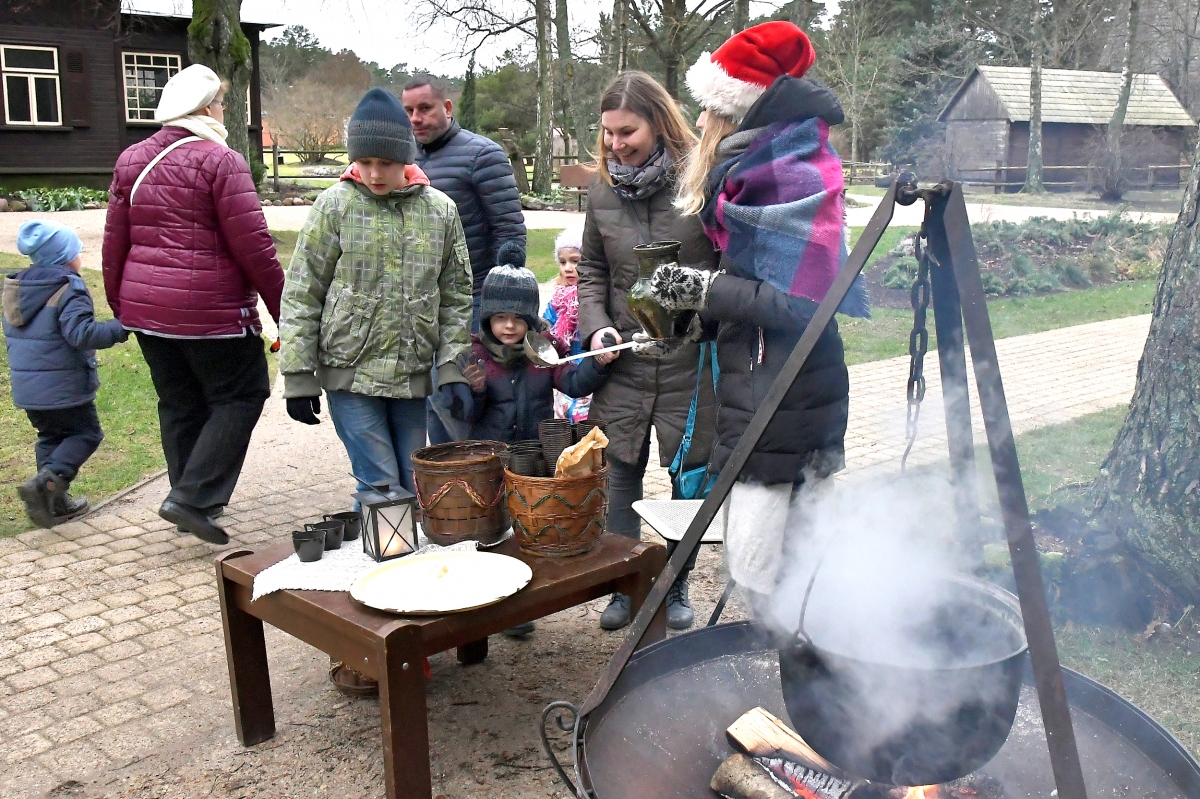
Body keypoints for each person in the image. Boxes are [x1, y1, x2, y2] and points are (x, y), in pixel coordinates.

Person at [652, 21, 857, 605]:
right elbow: (754, 290)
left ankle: (785, 652)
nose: (698, 123)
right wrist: (695, 316)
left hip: (789, 395)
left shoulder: (791, 177)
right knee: (778, 566)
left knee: (769, 569)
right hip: (763, 387)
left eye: (708, 110)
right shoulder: (755, 175)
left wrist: (701, 290)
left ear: (738, 113)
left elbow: (802, 304)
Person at [279, 87, 472, 697]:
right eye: (363, 162)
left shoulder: (439, 211)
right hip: (350, 372)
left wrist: (451, 367)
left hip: (411, 374)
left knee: (412, 484)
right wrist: (299, 376)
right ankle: (385, 642)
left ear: (405, 157)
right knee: (381, 488)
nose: (373, 173)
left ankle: (417, 620)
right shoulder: (335, 205)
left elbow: (456, 294)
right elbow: (302, 289)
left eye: (384, 162)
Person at [102, 63, 284, 545]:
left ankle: (187, 496)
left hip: (146, 312)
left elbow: (114, 239)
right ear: (205, 107)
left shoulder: (131, 158)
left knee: (179, 403)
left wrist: (121, 303)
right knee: (241, 395)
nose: (222, 110)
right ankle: (193, 499)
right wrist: (284, 309)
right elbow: (254, 245)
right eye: (220, 102)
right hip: (212, 314)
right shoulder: (221, 161)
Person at [577, 72, 720, 632]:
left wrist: (699, 318)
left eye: (627, 132)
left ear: (658, 122)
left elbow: (724, 265)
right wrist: (596, 330)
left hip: (687, 360)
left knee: (686, 479)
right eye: (608, 132)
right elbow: (592, 270)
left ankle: (676, 584)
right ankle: (624, 584)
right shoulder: (601, 190)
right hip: (625, 362)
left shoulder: (700, 179)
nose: (616, 144)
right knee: (620, 473)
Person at [401, 73, 527, 446]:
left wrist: (502, 302)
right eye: (408, 110)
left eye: (425, 108)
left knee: (463, 402)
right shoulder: (401, 158)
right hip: (419, 304)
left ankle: (482, 472)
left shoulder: (482, 155)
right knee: (430, 400)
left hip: (472, 301)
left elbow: (509, 229)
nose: (416, 118)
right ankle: (446, 477)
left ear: (447, 107)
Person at [4, 221, 128, 529]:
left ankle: (54, 505)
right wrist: (122, 326)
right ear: (64, 257)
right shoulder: (68, 287)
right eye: (77, 251)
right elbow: (82, 334)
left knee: (51, 437)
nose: (80, 257)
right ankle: (46, 484)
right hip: (63, 387)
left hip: (30, 388)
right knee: (86, 433)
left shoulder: (19, 288)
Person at [453, 241, 612, 442]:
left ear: (531, 320)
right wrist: (475, 392)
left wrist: (598, 362)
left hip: (536, 452)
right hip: (490, 453)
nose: (509, 325)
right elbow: (463, 415)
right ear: (487, 319)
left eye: (519, 318)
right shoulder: (475, 355)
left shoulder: (545, 350)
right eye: (500, 317)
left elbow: (575, 384)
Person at [542, 224, 593, 422]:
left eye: (575, 261)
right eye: (562, 262)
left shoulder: (593, 299)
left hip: (589, 369)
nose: (568, 268)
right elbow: (547, 327)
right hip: (565, 369)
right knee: (564, 417)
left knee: (585, 421)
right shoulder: (558, 298)